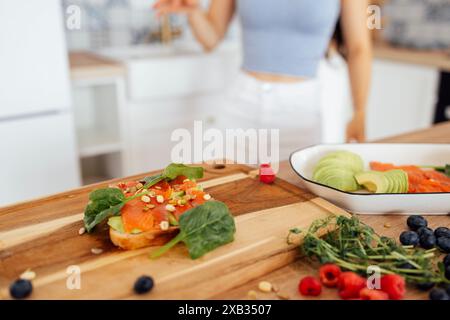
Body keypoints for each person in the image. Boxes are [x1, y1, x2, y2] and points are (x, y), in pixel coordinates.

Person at [154, 0, 372, 160]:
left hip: (303, 108)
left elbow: (358, 48)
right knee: (230, 193)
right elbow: (211, 38)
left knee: (296, 199)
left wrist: (359, 111)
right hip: (242, 102)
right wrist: (194, 11)